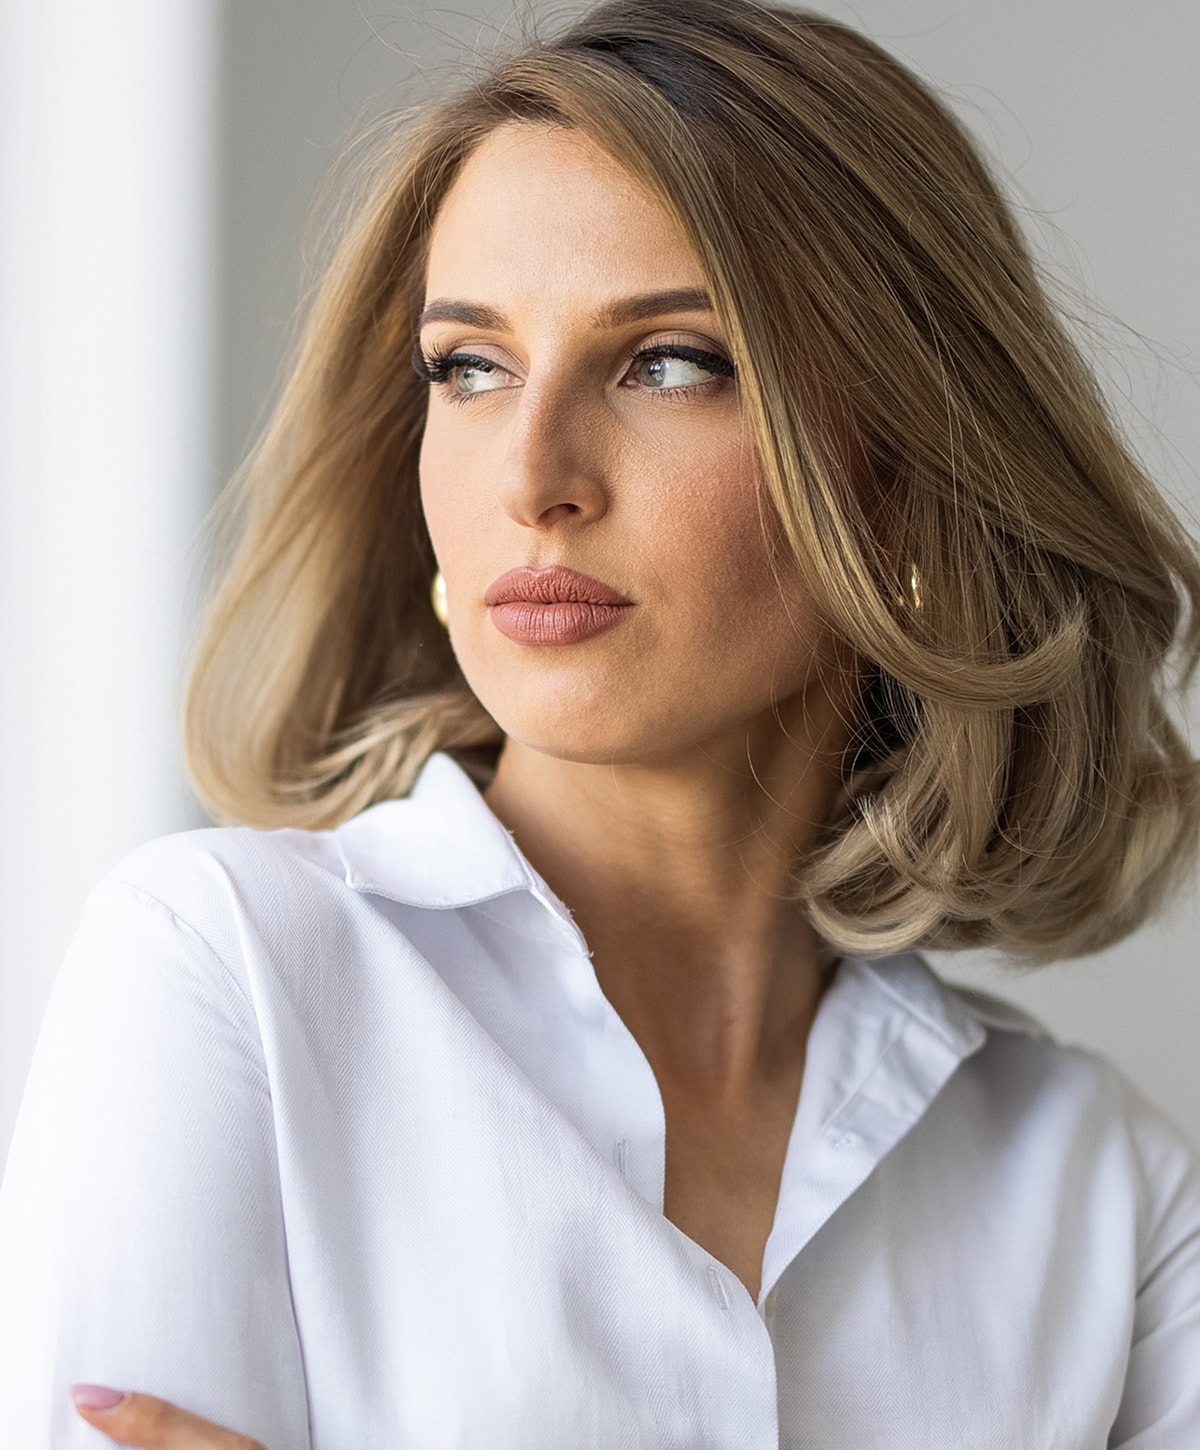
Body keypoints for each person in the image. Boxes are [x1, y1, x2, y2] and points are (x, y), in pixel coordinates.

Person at [3, 0, 1199, 1445]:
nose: (533, 475)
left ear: (901, 469)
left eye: (668, 361)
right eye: (471, 366)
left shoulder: (1103, 1193)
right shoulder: (227, 975)